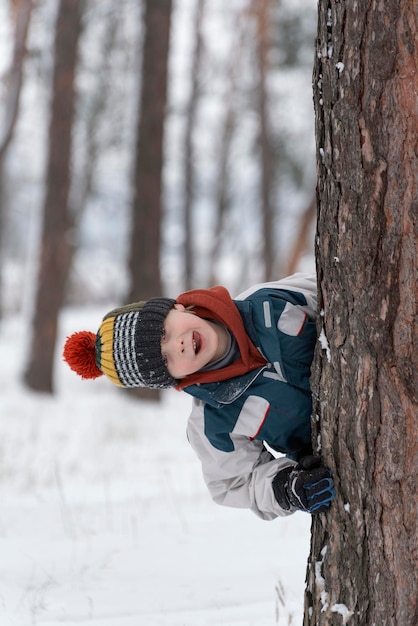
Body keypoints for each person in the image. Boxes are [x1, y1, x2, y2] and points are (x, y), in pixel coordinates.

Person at [63, 273, 335, 520]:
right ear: (172, 379)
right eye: (165, 360)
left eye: (163, 334)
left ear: (176, 308)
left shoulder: (267, 302)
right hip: (344, 451)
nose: (177, 345)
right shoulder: (214, 420)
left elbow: (330, 286)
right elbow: (234, 484)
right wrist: (287, 487)